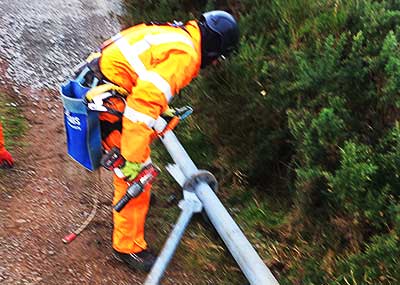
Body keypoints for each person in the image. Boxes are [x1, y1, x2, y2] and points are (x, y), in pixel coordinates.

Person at [76, 10, 239, 271]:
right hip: (109, 101)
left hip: (103, 84)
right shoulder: (186, 56)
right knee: (136, 173)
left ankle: (137, 204)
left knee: (137, 162)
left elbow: (145, 84)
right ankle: (127, 247)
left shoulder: (179, 34)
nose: (216, 64)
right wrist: (132, 159)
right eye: (218, 58)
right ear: (214, 48)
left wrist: (161, 113)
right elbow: (140, 110)